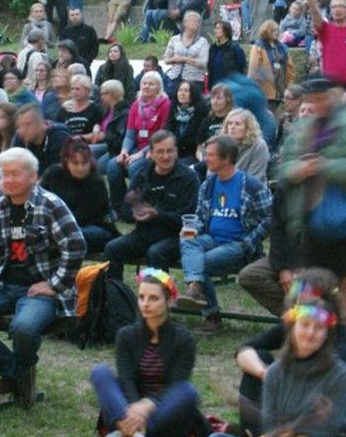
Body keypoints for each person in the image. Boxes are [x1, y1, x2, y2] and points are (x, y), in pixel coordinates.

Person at [0, 147, 85, 408]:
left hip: (38, 289)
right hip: (1, 285)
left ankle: (16, 377)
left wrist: (54, 284)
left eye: (15, 174)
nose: (7, 180)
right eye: (4, 174)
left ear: (33, 176)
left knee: (23, 328)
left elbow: (76, 245)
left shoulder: (50, 205)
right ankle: (15, 373)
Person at [207, 285, 346, 437]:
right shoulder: (276, 371)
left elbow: (338, 430)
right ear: (293, 328)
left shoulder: (339, 372)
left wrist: (292, 436)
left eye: (318, 328)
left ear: (327, 334)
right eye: (304, 325)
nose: (310, 333)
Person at [276, 78, 346, 330]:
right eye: (311, 100)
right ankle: (309, 329)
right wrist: (297, 170)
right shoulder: (303, 128)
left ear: (335, 95)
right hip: (312, 214)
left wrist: (322, 166)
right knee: (310, 280)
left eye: (321, 99)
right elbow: (282, 167)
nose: (316, 105)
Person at [90, 268, 208, 437]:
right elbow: (127, 379)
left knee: (188, 391)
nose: (145, 304)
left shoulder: (183, 339)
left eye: (153, 298)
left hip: (164, 408)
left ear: (169, 301)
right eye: (142, 297)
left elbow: (176, 384)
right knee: (100, 372)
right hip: (128, 403)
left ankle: (123, 434)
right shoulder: (127, 335)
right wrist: (135, 408)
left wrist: (147, 405)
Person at [178, 135, 272, 317]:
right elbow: (200, 217)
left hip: (238, 244)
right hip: (211, 239)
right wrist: (192, 228)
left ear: (227, 158)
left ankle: (211, 314)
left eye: (211, 155)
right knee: (187, 239)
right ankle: (195, 286)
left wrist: (249, 242)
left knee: (199, 263)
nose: (206, 159)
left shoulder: (251, 186)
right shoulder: (208, 185)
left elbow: (271, 217)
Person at [104, 131, 198, 282]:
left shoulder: (188, 177)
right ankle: (115, 294)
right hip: (145, 233)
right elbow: (125, 211)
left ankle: (160, 299)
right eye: (160, 151)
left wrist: (156, 214)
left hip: (177, 236)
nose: (166, 156)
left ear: (176, 152)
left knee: (155, 252)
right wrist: (135, 211)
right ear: (151, 154)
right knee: (113, 248)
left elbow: (187, 218)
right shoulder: (142, 176)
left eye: (170, 151)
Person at [107, 72, 172, 211]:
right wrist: (124, 151)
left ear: (159, 87)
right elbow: (130, 134)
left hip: (154, 150)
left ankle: (133, 207)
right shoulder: (136, 105)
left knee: (134, 168)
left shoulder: (165, 105)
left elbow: (161, 137)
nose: (146, 86)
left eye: (151, 84)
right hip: (136, 147)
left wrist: (139, 155)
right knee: (113, 165)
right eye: (144, 83)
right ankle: (117, 207)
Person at [41, 138, 114, 255]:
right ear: (66, 161)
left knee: (67, 235)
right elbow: (40, 201)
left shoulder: (96, 182)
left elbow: (84, 215)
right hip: (59, 227)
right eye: (75, 163)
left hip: (94, 228)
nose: (81, 168)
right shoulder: (53, 174)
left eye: (84, 163)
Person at [247, 20, 293, 108]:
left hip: (280, 91)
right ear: (266, 31)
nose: (276, 33)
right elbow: (254, 68)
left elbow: (290, 69)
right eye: (273, 30)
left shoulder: (283, 48)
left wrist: (289, 85)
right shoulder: (258, 46)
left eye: (277, 30)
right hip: (264, 91)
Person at [225, 108, 270, 182]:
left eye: (237, 124)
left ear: (248, 127)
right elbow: (212, 174)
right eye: (229, 123)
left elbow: (255, 177)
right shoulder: (220, 145)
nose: (232, 127)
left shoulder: (259, 145)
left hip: (250, 189)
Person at [207, 19, 248, 88]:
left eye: (218, 28)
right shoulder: (213, 48)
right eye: (215, 28)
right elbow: (210, 68)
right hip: (216, 85)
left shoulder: (235, 49)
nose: (215, 31)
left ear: (225, 31)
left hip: (231, 85)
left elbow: (242, 67)